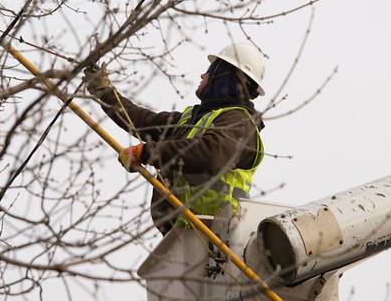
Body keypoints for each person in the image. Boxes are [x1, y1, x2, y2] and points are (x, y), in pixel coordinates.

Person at [84, 43, 266, 235]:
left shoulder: (239, 122)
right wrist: (105, 93)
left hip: (221, 238)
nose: (202, 76)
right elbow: (142, 121)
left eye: (209, 71)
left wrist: (147, 153)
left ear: (223, 77)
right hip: (185, 235)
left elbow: (210, 153)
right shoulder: (192, 120)